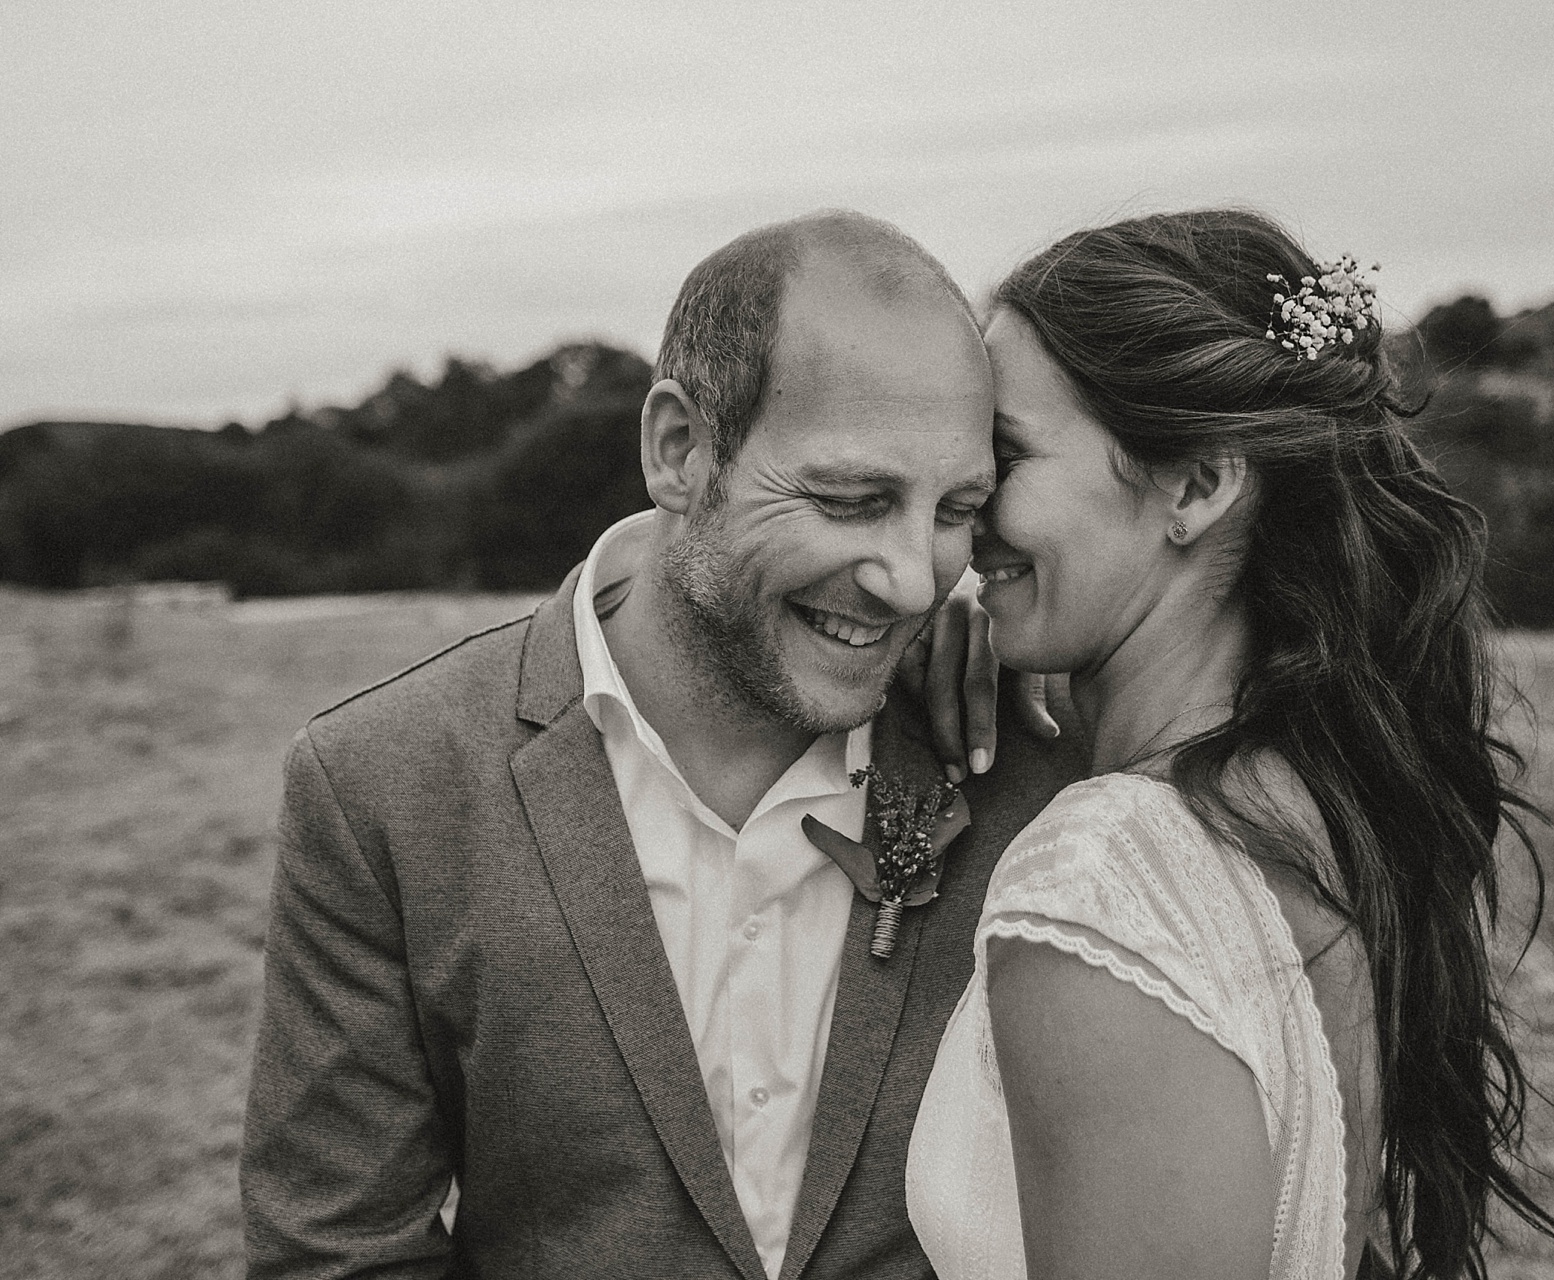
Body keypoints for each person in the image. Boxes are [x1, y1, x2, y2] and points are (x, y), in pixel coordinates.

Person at [240, 210, 1082, 1280]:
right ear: (681, 448)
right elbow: (339, 1250)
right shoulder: (381, 784)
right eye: (851, 499)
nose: (915, 578)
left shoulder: (1035, 754)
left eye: (956, 508)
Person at [906, 211, 1554, 1280]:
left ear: (1200, 484)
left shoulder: (1100, 883)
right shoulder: (1313, 797)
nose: (966, 504)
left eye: (1004, 455)